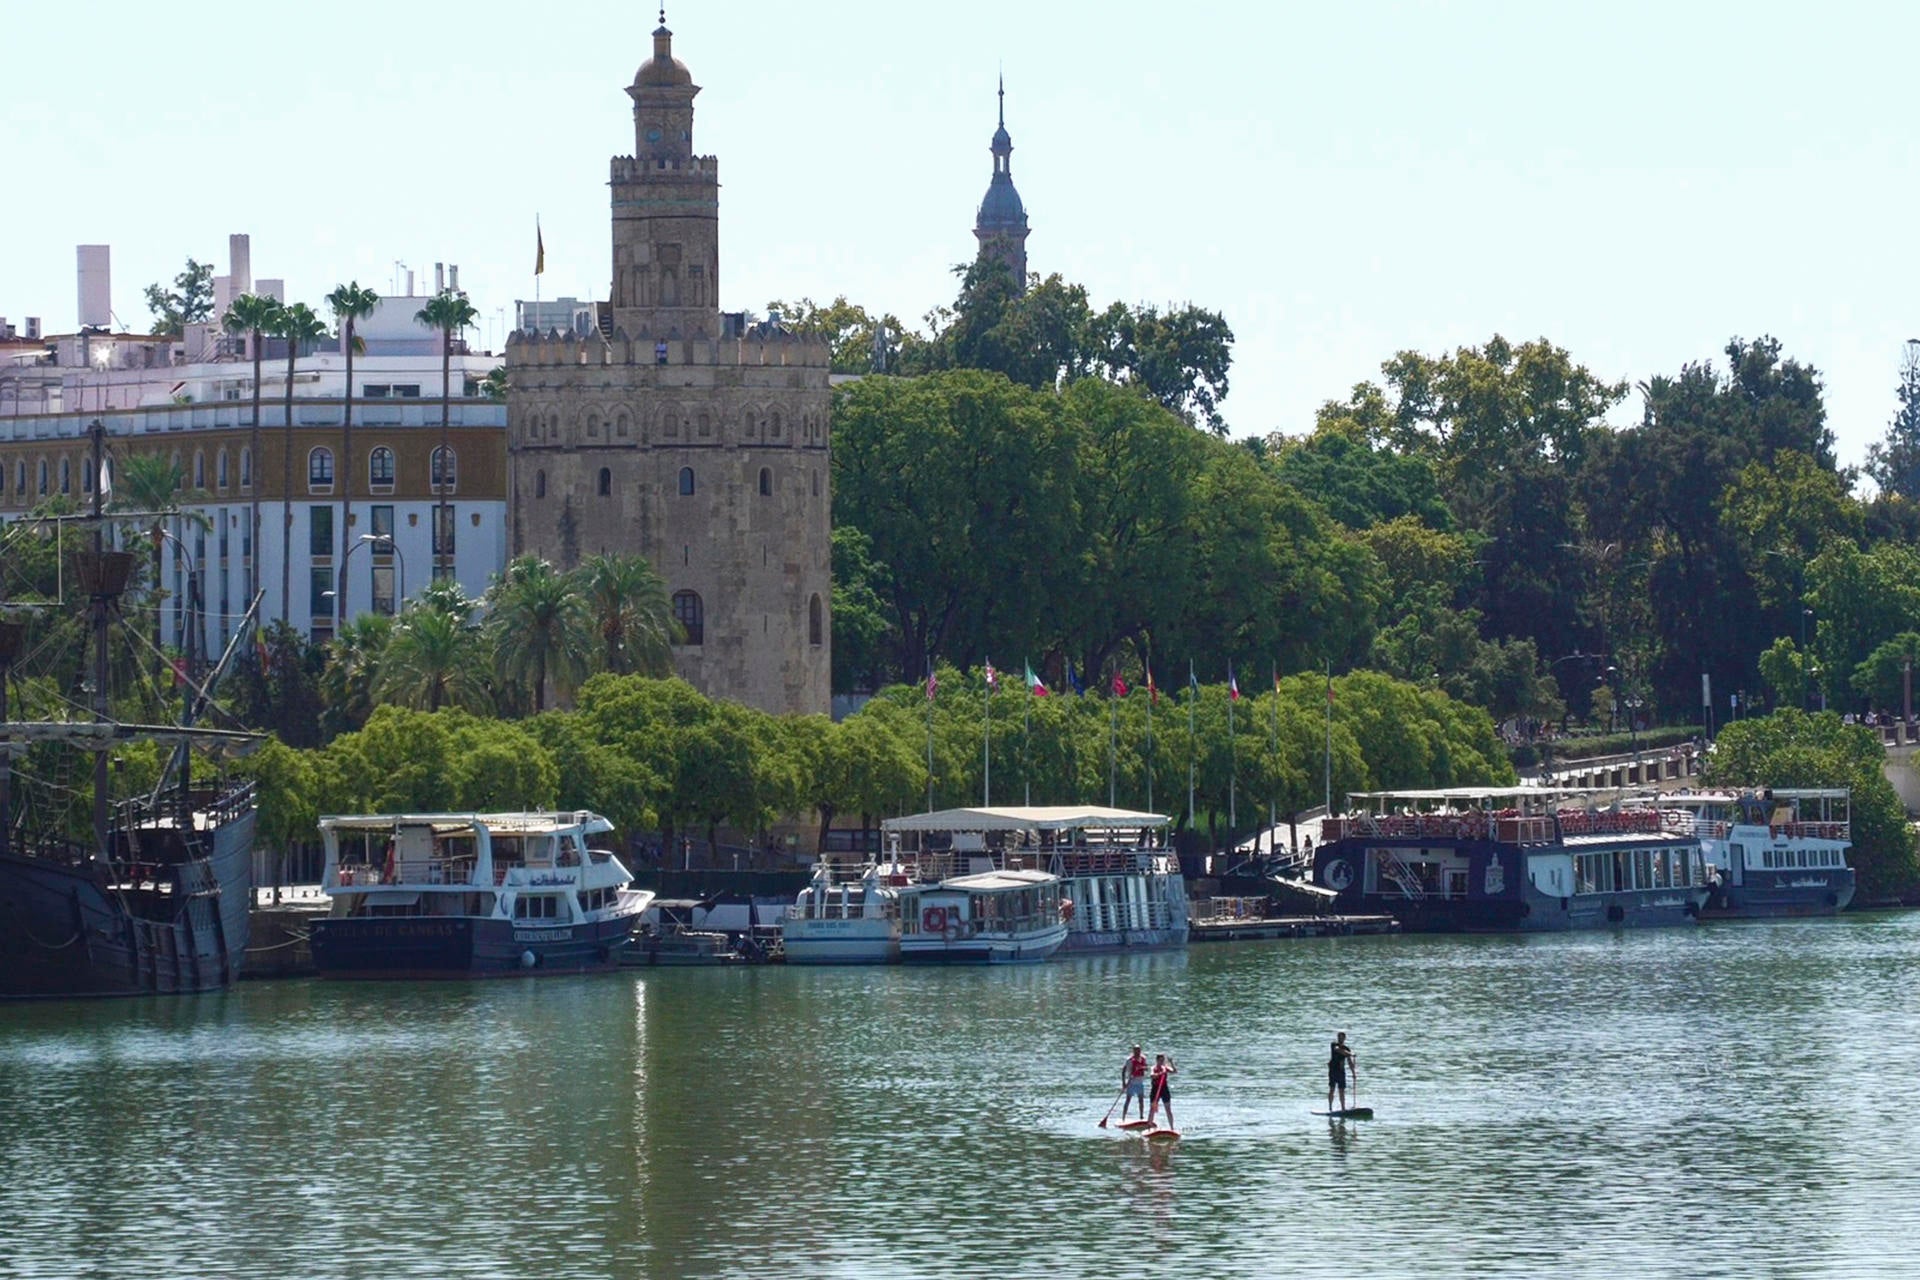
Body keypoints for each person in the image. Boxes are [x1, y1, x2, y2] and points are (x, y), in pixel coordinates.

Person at [1119, 1045, 1150, 1122]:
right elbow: (1123, 1070)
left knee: (1141, 1100)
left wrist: (1142, 1068)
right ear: (1133, 1051)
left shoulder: (1143, 1058)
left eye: (1139, 1050)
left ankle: (1141, 1116)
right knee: (1128, 1100)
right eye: (1136, 1050)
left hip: (1140, 1082)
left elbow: (1146, 1068)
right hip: (1131, 1082)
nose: (1138, 1052)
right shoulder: (1129, 1060)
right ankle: (1123, 1117)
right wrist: (1124, 1083)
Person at [1327, 1031, 1356, 1112]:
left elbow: (1350, 1062)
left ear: (1344, 1038)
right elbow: (1338, 1050)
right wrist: (1350, 1054)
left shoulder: (1347, 1049)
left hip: (1341, 1072)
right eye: (1339, 1037)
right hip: (1333, 1071)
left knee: (1342, 1090)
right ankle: (1330, 1107)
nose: (1341, 1039)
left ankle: (1343, 1108)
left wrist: (1353, 1073)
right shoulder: (1334, 1045)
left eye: (1342, 1037)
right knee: (1332, 1089)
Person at [1147, 1053, 1178, 1129]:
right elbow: (1152, 1075)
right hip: (1155, 1089)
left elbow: (1174, 1071)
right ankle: (1149, 1128)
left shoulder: (1165, 1068)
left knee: (1168, 1109)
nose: (1161, 1062)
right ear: (1157, 1060)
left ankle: (1172, 1128)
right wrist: (1160, 1073)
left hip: (1164, 1089)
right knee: (1152, 1109)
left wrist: (1171, 1062)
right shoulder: (1153, 1068)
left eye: (1162, 1060)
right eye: (1160, 1060)